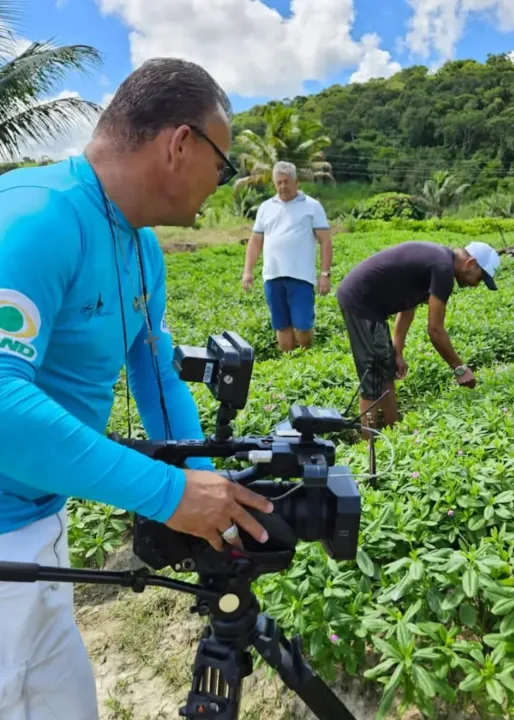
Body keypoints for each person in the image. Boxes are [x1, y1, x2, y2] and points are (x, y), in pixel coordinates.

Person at [0, 58, 275, 720]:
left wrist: (208, 499)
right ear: (181, 143)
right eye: (225, 164)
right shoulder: (38, 218)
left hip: (40, 518)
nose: (223, 182)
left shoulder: (141, 248)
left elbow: (154, 374)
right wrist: (169, 492)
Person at [335, 240, 500, 433]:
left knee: (385, 370)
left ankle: (392, 432)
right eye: (480, 278)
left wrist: (398, 351)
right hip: (361, 300)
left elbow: (407, 308)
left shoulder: (438, 261)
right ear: (470, 263)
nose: (476, 285)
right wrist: (460, 368)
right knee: (374, 375)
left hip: (370, 304)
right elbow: (435, 330)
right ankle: (368, 445)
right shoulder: (442, 268)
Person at [242, 161, 332, 352]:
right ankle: (288, 364)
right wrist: (248, 271)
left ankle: (306, 360)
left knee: (303, 326)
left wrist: (325, 273)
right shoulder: (266, 207)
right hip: (273, 276)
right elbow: (255, 241)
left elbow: (325, 241)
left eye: (286, 181)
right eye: (279, 182)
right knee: (281, 325)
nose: (283, 186)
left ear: (296, 181)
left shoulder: (312, 206)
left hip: (301, 276)